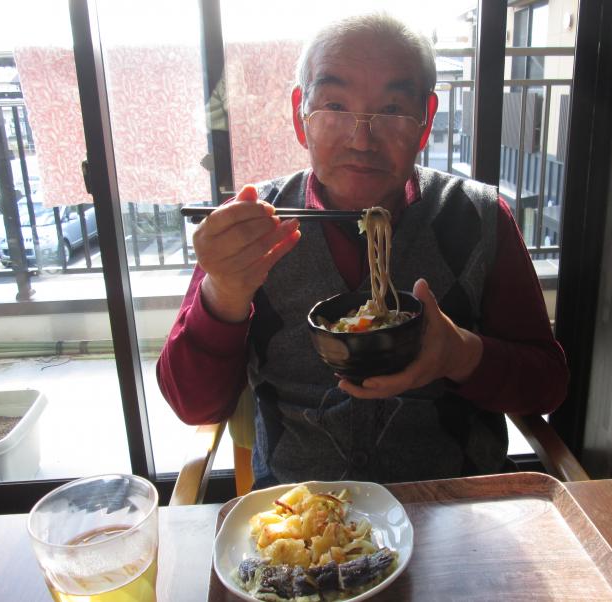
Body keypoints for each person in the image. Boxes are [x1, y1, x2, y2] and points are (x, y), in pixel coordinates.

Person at [158, 12, 568, 488]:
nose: (362, 139)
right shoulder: (253, 225)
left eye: (392, 110)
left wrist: (459, 354)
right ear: (300, 115)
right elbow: (193, 405)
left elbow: (547, 384)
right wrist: (224, 292)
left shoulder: (479, 217)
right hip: (300, 518)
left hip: (455, 509)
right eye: (335, 104)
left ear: (425, 120)